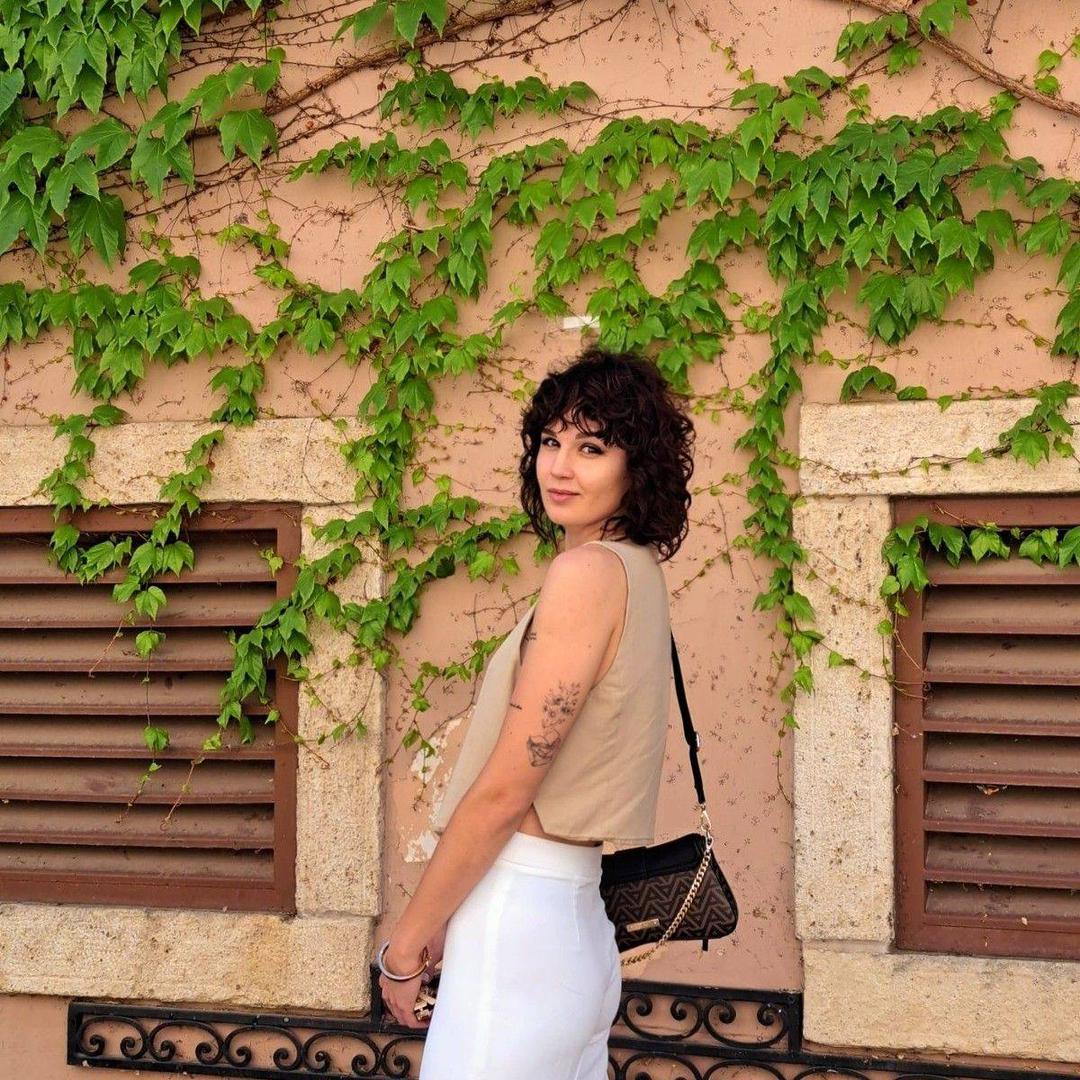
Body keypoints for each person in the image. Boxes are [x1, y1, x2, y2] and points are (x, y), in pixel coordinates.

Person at [376, 346, 695, 1079]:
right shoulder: (637, 573)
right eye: (551, 441)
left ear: (637, 465)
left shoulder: (586, 575)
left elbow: (506, 790)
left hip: (518, 923)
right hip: (573, 924)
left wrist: (409, 942)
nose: (561, 467)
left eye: (593, 447)